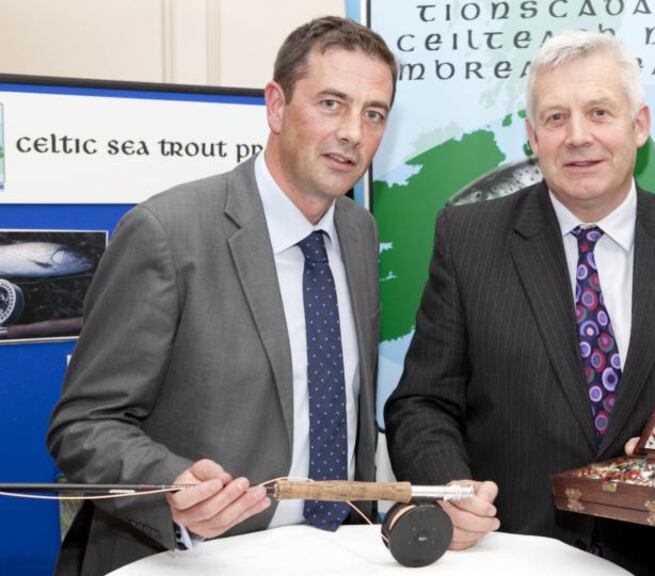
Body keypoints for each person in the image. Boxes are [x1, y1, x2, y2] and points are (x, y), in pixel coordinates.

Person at [384, 29, 655, 574]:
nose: (578, 137)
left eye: (600, 112)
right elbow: (422, 403)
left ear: (640, 125)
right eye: (556, 118)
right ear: (532, 136)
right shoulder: (468, 239)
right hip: (511, 554)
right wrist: (452, 492)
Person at [46, 16, 396, 575]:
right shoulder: (166, 232)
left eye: (373, 113)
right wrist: (174, 484)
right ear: (276, 106)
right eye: (332, 103)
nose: (354, 132)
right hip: (191, 558)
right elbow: (85, 424)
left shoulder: (358, 231)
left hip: (338, 554)